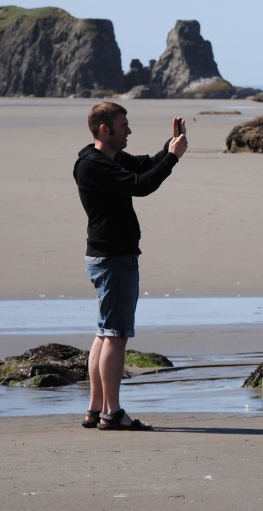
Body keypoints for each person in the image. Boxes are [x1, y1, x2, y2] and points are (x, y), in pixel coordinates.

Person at [73, 102, 187, 431]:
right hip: (113, 259)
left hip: (107, 257)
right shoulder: (94, 165)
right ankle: (112, 412)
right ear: (104, 129)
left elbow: (143, 165)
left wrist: (169, 147)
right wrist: (174, 158)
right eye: (124, 125)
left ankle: (96, 409)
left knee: (104, 334)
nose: (129, 130)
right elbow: (142, 185)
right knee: (115, 336)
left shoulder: (106, 158)